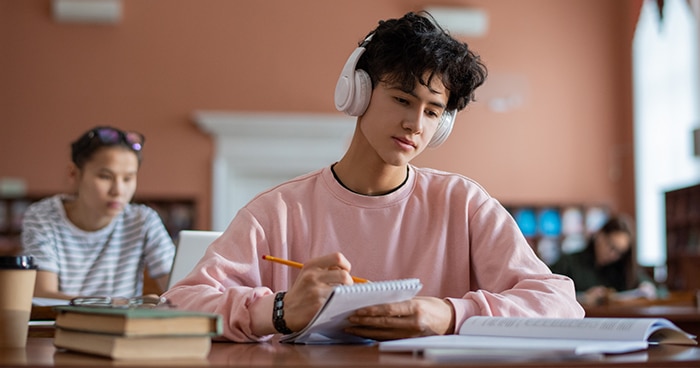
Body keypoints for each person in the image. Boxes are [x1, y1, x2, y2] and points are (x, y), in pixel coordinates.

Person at [163, 11, 583, 342]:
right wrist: (279, 310)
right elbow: (180, 304)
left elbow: (560, 301)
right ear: (358, 91)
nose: (415, 124)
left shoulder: (464, 203)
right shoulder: (276, 211)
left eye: (433, 111)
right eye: (402, 98)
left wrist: (451, 314)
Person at [21, 126, 175, 300]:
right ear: (74, 173)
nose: (118, 190)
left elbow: (179, 288)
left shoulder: (143, 220)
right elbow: (44, 296)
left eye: (128, 178)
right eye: (105, 176)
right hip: (60, 324)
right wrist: (123, 304)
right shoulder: (43, 217)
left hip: (126, 326)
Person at [549, 215, 656, 306]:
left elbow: (657, 290)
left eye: (619, 252)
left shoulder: (621, 267)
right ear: (599, 235)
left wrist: (647, 288)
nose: (613, 255)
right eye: (610, 246)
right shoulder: (569, 262)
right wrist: (582, 297)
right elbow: (547, 290)